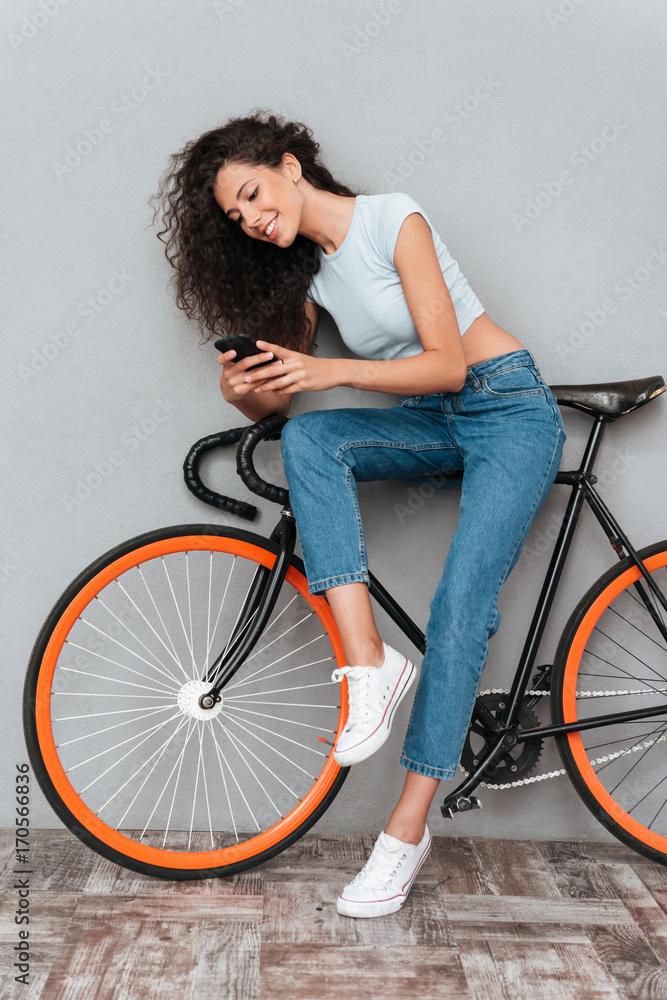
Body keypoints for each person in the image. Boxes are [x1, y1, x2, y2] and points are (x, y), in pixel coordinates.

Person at [150, 109, 566, 919]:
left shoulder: (391, 218)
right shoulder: (305, 272)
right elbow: (291, 386)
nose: (254, 220)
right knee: (310, 440)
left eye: (253, 194)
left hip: (507, 408)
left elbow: (447, 365)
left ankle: (404, 836)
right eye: (238, 219)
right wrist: (243, 388)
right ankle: (367, 660)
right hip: (434, 422)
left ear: (289, 164)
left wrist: (325, 367)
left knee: (458, 611)